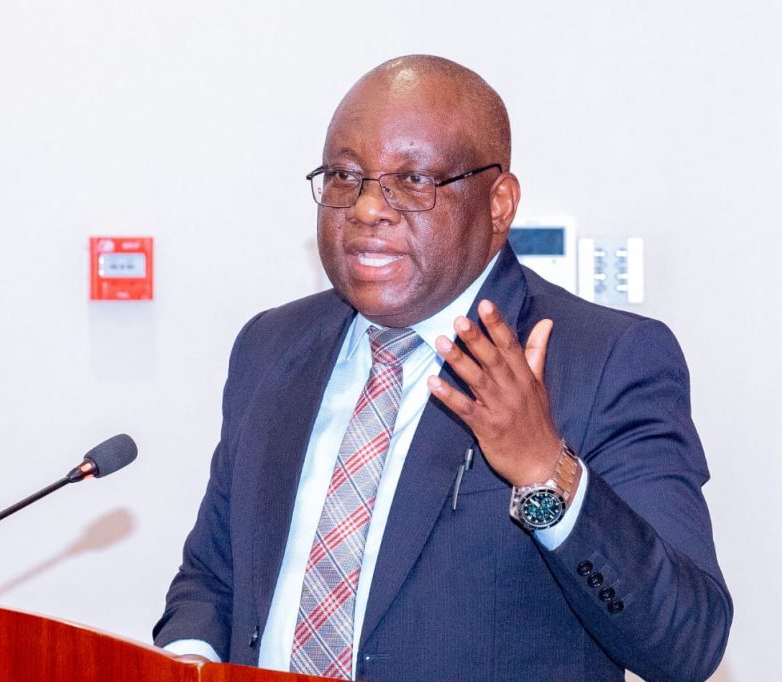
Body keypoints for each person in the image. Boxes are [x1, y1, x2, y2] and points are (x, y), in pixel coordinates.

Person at [154, 54, 732, 681]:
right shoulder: (271, 347)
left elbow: (685, 645)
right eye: (345, 176)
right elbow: (213, 574)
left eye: (413, 180)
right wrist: (189, 661)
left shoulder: (604, 361)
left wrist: (546, 471)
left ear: (499, 203)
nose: (367, 209)